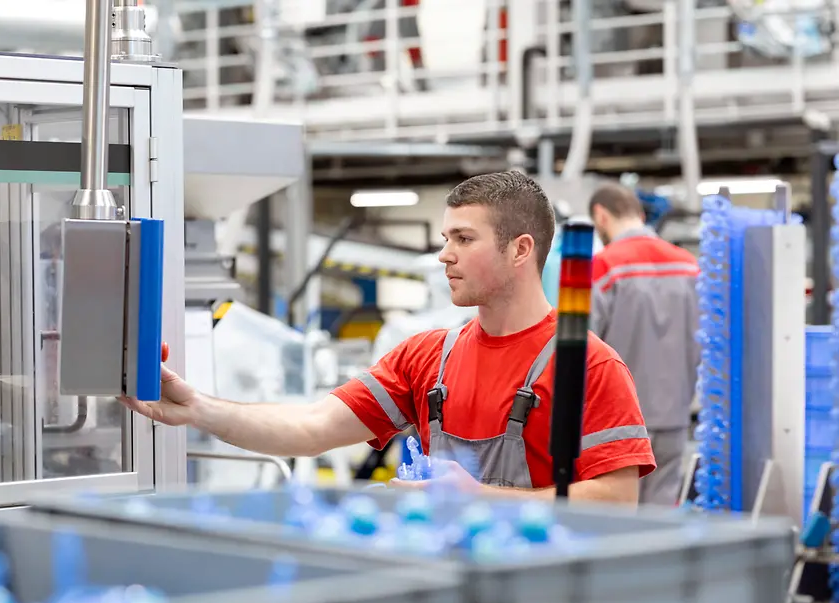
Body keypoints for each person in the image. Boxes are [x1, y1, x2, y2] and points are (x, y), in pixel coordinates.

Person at [122, 171, 656, 504]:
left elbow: (615, 499)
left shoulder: (589, 366)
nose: (444, 254)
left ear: (520, 250)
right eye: (445, 238)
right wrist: (197, 409)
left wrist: (480, 500)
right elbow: (312, 426)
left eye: (463, 239)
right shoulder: (428, 357)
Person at [588, 183, 700, 506]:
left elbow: (580, 348)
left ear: (601, 216)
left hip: (617, 425)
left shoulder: (602, 267)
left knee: (618, 521)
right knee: (661, 518)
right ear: (639, 214)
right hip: (675, 417)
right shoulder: (690, 265)